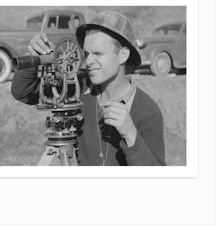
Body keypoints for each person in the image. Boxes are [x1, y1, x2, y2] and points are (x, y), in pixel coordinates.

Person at [11, 10, 166, 166]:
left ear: (123, 55)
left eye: (98, 53)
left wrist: (131, 136)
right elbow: (22, 92)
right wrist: (35, 58)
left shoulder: (147, 111)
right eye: (86, 54)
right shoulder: (78, 87)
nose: (88, 61)